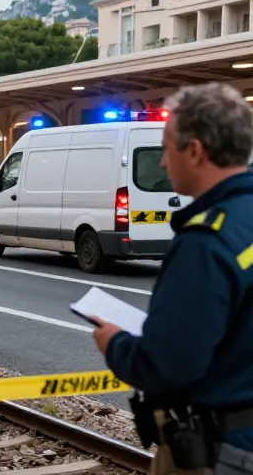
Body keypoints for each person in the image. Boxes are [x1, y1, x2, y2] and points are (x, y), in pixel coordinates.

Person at [91, 82, 253, 475]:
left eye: (166, 148)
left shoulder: (206, 242)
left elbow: (169, 365)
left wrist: (115, 344)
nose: (163, 162)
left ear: (194, 151)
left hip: (220, 451)